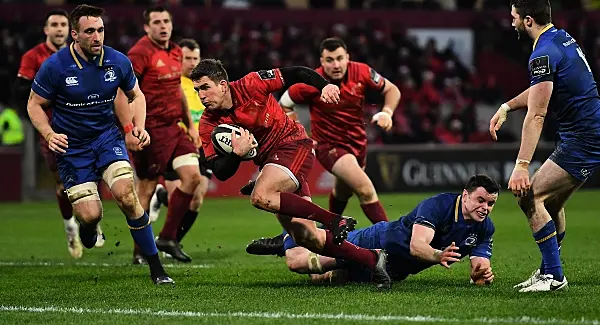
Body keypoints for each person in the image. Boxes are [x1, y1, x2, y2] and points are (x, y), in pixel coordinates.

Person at [193, 58, 391, 289]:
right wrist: (236, 154)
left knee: (261, 195)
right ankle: (373, 259)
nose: (201, 95)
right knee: (308, 238)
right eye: (197, 90)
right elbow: (221, 172)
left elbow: (296, 71)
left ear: (223, 85)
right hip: (271, 163)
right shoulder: (207, 124)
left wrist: (323, 85)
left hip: (294, 145)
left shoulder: (251, 84)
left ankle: (334, 220)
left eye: (205, 87)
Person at [26, 4, 173, 285]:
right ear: (75, 35)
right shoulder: (55, 66)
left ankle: (156, 268)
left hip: (107, 139)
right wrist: (48, 134)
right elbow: (34, 104)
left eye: (101, 30)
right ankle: (89, 227)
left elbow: (136, 96)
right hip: (72, 148)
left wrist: (139, 126)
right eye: (90, 31)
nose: (97, 37)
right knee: (90, 214)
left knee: (128, 197)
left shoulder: (117, 61)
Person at [489, 0, 600, 292]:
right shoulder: (561, 39)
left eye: (513, 16)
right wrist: (507, 106)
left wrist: (521, 166)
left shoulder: (542, 53)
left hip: (584, 138)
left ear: (527, 20)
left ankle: (554, 276)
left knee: (529, 196)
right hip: (585, 133)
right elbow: (542, 89)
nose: (510, 21)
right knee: (550, 203)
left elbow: (537, 113)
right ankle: (550, 270)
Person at [243, 37, 401, 224]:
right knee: (365, 189)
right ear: (321, 61)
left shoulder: (362, 72)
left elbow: (392, 90)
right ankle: (392, 237)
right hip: (329, 146)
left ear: (347, 57)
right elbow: (284, 104)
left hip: (358, 144)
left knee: (343, 191)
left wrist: (387, 112)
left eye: (340, 58)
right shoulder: (313, 83)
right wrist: (299, 133)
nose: (336, 64)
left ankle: (328, 232)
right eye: (330, 60)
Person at [247, 174, 497, 287]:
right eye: (480, 200)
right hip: (375, 241)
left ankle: (304, 233)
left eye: (491, 204)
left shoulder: (485, 229)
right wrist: (437, 256)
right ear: (465, 196)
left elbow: (480, 261)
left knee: (321, 279)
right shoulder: (439, 205)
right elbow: (417, 246)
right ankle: (289, 229)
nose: (485, 208)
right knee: (298, 262)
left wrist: (480, 273)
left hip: (393, 270)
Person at [14, 9, 105, 259]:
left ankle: (92, 219)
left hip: (88, 128)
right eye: (54, 24)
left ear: (71, 30)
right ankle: (71, 229)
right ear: (46, 30)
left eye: (63, 24)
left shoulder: (86, 54)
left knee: (97, 173)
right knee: (63, 184)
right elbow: (22, 93)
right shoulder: (35, 58)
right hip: (54, 132)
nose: (59, 29)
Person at [128, 7, 202, 264]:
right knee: (146, 189)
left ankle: (168, 237)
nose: (163, 26)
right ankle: (140, 252)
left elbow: (177, 91)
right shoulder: (139, 53)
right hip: (150, 131)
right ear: (147, 28)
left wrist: (190, 126)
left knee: (193, 178)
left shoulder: (176, 51)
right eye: (157, 22)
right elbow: (125, 91)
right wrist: (131, 128)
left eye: (166, 21)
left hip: (174, 128)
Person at [148, 38, 210, 254]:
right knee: (185, 195)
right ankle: (167, 235)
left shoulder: (204, 84)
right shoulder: (172, 82)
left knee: (196, 199)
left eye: (195, 58)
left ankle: (170, 240)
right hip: (177, 145)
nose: (192, 63)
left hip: (202, 147)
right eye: (187, 58)